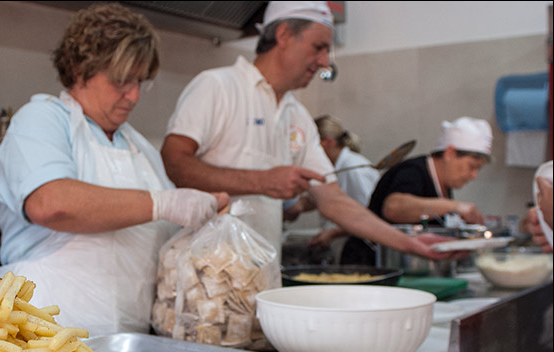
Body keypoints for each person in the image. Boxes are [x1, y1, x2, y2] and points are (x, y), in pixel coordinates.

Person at [0, 3, 228, 336]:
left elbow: (161, 241)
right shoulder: (41, 120)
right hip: (38, 337)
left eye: (140, 82)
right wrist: (165, 203)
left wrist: (204, 224)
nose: (133, 96)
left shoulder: (140, 149)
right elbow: (51, 202)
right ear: (79, 69)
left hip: (129, 346)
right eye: (120, 81)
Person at [160, 0, 453, 265]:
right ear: (284, 35)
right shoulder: (218, 86)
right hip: (203, 273)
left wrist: (409, 243)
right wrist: (263, 181)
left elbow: (333, 201)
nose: (325, 62)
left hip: (261, 274)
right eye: (319, 47)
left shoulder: (296, 114)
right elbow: (174, 163)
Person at [342, 116, 493, 265]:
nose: (474, 175)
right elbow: (393, 208)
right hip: (368, 263)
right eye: (472, 167)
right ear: (450, 153)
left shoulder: (443, 184)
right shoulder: (413, 171)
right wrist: (455, 206)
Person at [306, 114, 380, 262]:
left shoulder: (353, 167)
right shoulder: (335, 167)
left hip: (360, 250)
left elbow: (369, 213)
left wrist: (334, 233)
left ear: (327, 142)